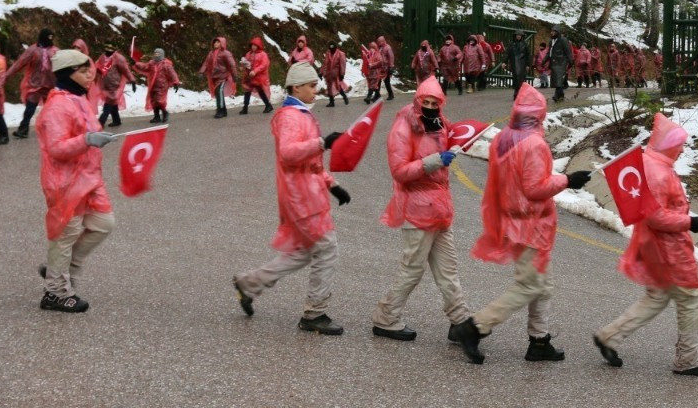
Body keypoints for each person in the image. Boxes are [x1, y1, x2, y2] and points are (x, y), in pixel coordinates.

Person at [455, 86, 593, 364]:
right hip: (531, 223)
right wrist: (568, 180)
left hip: (515, 219)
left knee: (542, 284)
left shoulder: (504, 138)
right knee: (530, 286)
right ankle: (475, 327)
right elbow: (534, 188)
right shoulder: (534, 144)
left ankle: (539, 341)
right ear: (539, 115)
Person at [232, 61, 351, 335]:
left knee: (304, 252)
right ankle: (315, 313)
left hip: (309, 194)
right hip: (300, 197)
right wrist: (322, 142)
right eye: (311, 86)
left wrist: (332, 186)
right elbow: (288, 153)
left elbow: (312, 163)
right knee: (327, 248)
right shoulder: (289, 116)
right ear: (296, 86)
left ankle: (249, 284)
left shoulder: (302, 114)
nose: (316, 91)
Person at [594, 114, 698, 377]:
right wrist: (688, 222)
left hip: (653, 244)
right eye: (680, 144)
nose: (683, 150)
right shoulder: (659, 172)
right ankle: (687, 359)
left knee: (657, 296)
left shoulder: (649, 162)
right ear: (669, 144)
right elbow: (656, 216)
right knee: (690, 299)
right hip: (669, 247)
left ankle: (609, 336)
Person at [371, 76, 471, 341]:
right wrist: (435, 160)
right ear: (417, 101)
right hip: (416, 209)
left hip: (440, 209)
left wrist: (463, 142)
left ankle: (460, 321)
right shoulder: (404, 126)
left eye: (434, 102)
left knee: (448, 269)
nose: (429, 106)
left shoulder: (439, 123)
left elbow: (450, 144)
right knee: (412, 269)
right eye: (424, 101)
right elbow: (399, 171)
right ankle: (386, 318)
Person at [35, 49, 117, 312]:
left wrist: (95, 138)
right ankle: (55, 293)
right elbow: (56, 148)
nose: (90, 73)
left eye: (89, 68)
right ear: (67, 74)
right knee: (65, 235)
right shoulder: (58, 104)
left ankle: (59, 269)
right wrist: (88, 140)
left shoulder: (80, 98)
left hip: (90, 178)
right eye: (83, 70)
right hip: (65, 182)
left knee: (104, 223)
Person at [8, 28, 57, 138]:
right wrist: (6, 75)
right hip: (35, 83)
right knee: (30, 107)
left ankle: (53, 128)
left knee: (51, 108)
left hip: (50, 84)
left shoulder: (55, 50)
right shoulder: (33, 50)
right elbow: (20, 63)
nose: (50, 40)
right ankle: (23, 129)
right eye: (48, 37)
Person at [94, 44, 136, 128]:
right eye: (107, 48)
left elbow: (126, 71)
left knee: (108, 103)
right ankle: (116, 120)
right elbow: (97, 67)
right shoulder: (102, 57)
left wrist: (132, 81)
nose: (108, 51)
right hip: (105, 84)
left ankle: (101, 121)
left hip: (114, 85)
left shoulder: (118, 58)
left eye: (110, 49)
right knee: (112, 103)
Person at [134, 49, 180, 123]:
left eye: (158, 54)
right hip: (153, 85)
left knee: (160, 101)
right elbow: (145, 67)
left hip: (162, 86)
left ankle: (165, 113)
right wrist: (136, 64)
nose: (156, 55)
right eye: (155, 54)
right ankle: (157, 116)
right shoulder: (151, 63)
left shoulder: (166, 64)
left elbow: (172, 74)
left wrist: (176, 82)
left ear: (162, 54)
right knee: (154, 102)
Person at [199, 36, 237, 119]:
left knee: (219, 92)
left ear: (222, 43)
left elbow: (232, 64)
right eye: (215, 42)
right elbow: (206, 63)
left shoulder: (226, 53)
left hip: (223, 76)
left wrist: (234, 75)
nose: (216, 44)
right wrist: (201, 72)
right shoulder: (211, 53)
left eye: (218, 42)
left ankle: (220, 110)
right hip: (214, 77)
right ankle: (223, 110)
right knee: (218, 93)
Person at [240, 37, 273, 115]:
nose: (253, 47)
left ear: (259, 46)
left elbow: (264, 65)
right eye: (252, 45)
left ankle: (268, 105)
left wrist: (255, 71)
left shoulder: (263, 54)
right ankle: (245, 107)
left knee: (261, 91)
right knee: (247, 91)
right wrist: (243, 65)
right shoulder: (248, 53)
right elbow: (246, 62)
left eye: (255, 45)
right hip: (249, 76)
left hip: (258, 77)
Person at [548, 26, 572, 103]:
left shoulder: (563, 40)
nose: (552, 33)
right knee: (557, 80)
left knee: (558, 80)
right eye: (551, 31)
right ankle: (561, 95)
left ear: (557, 32)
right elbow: (549, 52)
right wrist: (544, 61)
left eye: (554, 31)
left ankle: (556, 95)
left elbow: (568, 51)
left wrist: (570, 61)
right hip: (554, 63)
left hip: (561, 62)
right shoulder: (551, 41)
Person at [322, 42, 349, 107]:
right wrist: (321, 72)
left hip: (336, 73)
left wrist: (342, 74)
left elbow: (342, 64)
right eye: (330, 46)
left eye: (332, 46)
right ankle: (331, 102)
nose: (331, 48)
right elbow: (325, 63)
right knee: (329, 87)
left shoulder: (340, 54)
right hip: (329, 73)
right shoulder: (328, 54)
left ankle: (344, 97)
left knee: (338, 86)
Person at [376, 36, 396, 100]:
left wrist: (391, 67)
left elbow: (391, 57)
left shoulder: (387, 48)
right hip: (380, 68)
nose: (379, 43)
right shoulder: (380, 48)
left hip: (386, 68)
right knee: (378, 81)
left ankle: (391, 94)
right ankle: (377, 95)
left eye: (379, 42)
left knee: (387, 82)